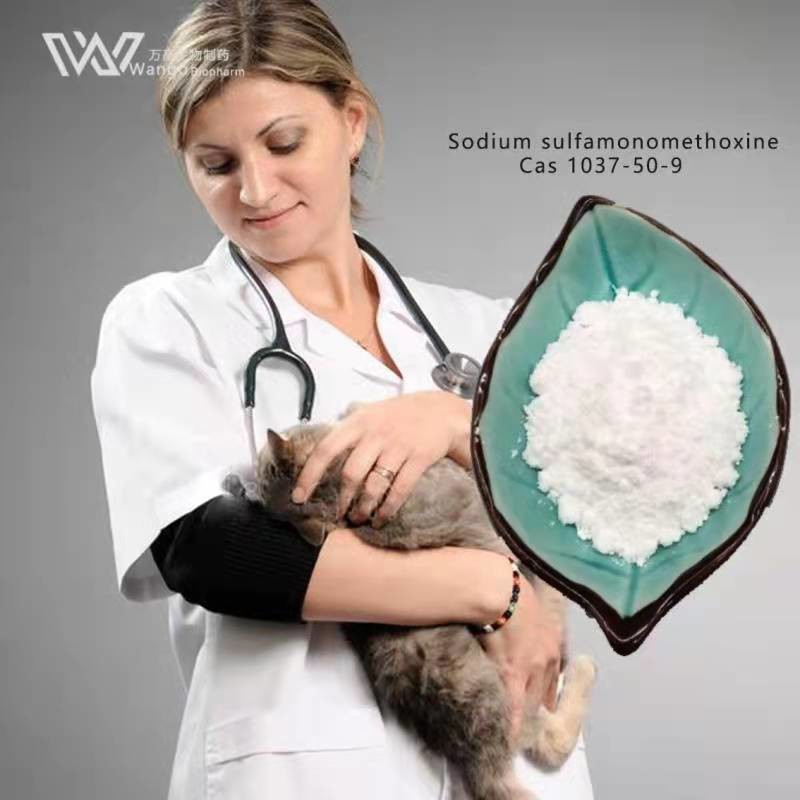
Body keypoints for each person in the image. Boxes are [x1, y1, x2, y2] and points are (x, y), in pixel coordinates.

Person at [89, 1, 595, 798]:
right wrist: (493, 590)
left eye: (284, 142)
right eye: (216, 164)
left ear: (352, 124)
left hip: (519, 764)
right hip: (305, 770)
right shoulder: (168, 319)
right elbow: (211, 551)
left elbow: (599, 524)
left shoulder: (483, 329)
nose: (256, 188)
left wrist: (457, 422)